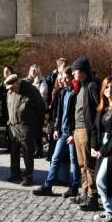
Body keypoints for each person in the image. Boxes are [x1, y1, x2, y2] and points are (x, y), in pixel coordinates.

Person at [33, 67, 81, 197]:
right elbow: (59, 113)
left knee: (74, 161)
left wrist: (73, 133)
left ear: (72, 78)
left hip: (72, 132)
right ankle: (48, 186)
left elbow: (77, 116)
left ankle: (74, 188)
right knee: (55, 158)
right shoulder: (62, 92)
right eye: (62, 77)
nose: (63, 80)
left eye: (66, 78)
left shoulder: (76, 93)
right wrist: (56, 128)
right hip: (62, 132)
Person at [87, 77, 112, 222]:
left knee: (103, 180)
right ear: (103, 90)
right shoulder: (102, 107)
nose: (110, 90)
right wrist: (93, 146)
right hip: (100, 147)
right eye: (107, 87)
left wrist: (103, 150)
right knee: (100, 179)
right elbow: (95, 129)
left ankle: (111, 212)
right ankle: (107, 209)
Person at [68, 57, 100, 210]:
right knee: (82, 165)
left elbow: (98, 108)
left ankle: (93, 197)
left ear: (82, 71)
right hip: (78, 130)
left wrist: (94, 132)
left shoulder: (92, 86)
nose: (73, 74)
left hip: (86, 131)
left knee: (89, 165)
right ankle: (85, 192)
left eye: (75, 71)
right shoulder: (81, 86)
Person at [5, 74, 46, 186]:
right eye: (9, 88)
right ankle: (15, 174)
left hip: (26, 126)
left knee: (27, 152)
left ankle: (29, 177)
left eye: (12, 87)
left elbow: (41, 108)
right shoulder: (10, 92)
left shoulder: (31, 91)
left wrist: (37, 126)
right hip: (13, 126)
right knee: (14, 151)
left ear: (17, 82)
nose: (11, 90)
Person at [0, 66, 15, 149]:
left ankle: (15, 146)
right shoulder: (2, 83)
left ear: (11, 71)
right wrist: (7, 95)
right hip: (5, 108)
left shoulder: (14, 81)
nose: (5, 72)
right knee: (7, 128)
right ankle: (9, 146)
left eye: (7, 71)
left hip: (13, 108)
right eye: (4, 71)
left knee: (14, 127)